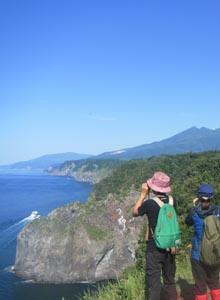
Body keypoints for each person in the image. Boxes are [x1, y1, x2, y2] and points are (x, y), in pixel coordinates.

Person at [132, 171, 182, 300]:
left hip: (154, 248)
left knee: (154, 285)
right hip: (171, 247)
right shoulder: (173, 201)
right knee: (170, 281)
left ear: (153, 187)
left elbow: (135, 212)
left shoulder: (150, 203)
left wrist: (143, 194)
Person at [185, 183, 220, 300]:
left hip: (197, 256)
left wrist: (194, 206)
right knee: (215, 283)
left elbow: (188, 222)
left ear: (199, 197)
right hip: (214, 253)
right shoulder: (218, 212)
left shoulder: (194, 212)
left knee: (200, 286)